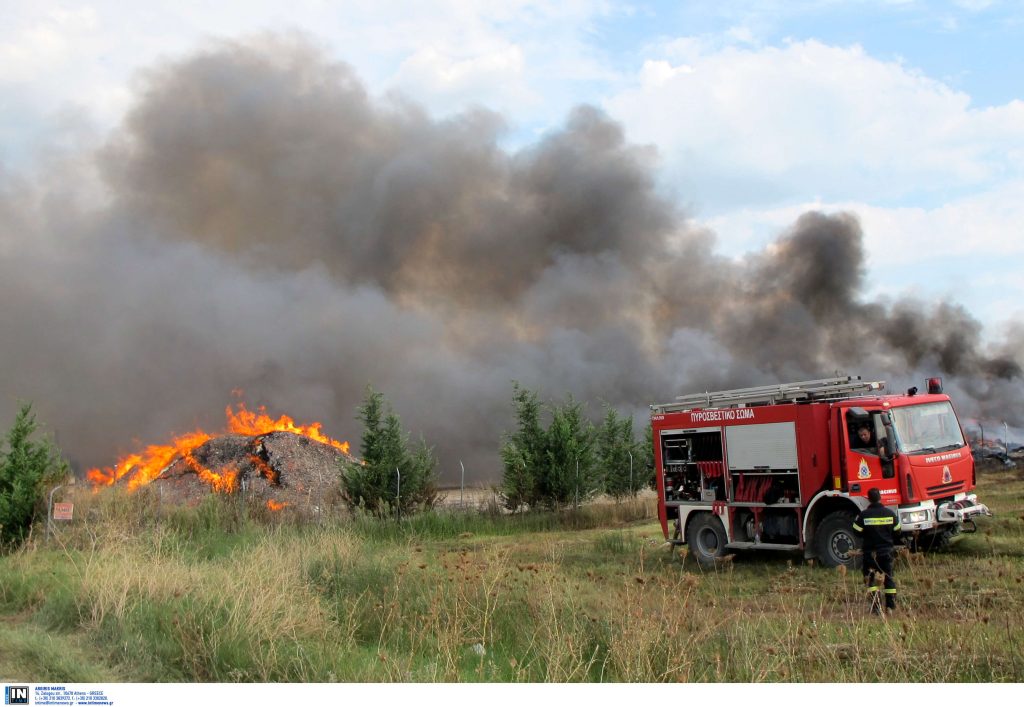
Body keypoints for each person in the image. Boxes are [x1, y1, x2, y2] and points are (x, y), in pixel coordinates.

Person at [852, 487, 902, 614]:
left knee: (871, 579)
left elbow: (856, 531)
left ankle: (876, 608)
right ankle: (890, 606)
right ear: (880, 497)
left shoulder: (863, 515)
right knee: (889, 578)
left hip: (870, 553)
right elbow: (898, 531)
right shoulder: (890, 514)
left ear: (869, 499)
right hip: (886, 552)